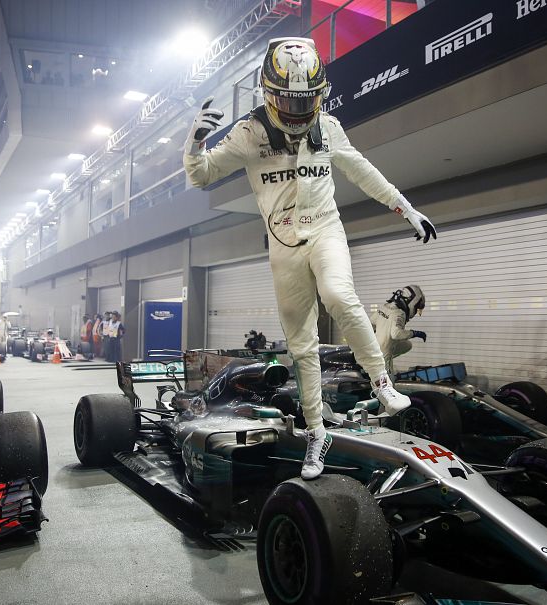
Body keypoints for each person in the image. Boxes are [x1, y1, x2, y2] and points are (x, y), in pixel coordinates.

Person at [184, 37, 437, 480]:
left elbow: (362, 170)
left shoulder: (330, 127)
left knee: (340, 294)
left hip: (325, 229)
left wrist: (405, 207)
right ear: (269, 92)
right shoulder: (249, 133)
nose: (299, 111)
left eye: (307, 101)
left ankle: (382, 383)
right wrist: (195, 141)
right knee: (302, 345)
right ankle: (317, 434)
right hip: (282, 246)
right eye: (288, 100)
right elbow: (200, 174)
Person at [370, 285, 427, 376]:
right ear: (412, 301)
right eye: (416, 308)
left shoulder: (385, 307)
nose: (416, 311)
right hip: (383, 352)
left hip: (373, 348)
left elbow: (370, 324)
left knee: (407, 345)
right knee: (388, 386)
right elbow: (396, 334)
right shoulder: (399, 313)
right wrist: (414, 333)